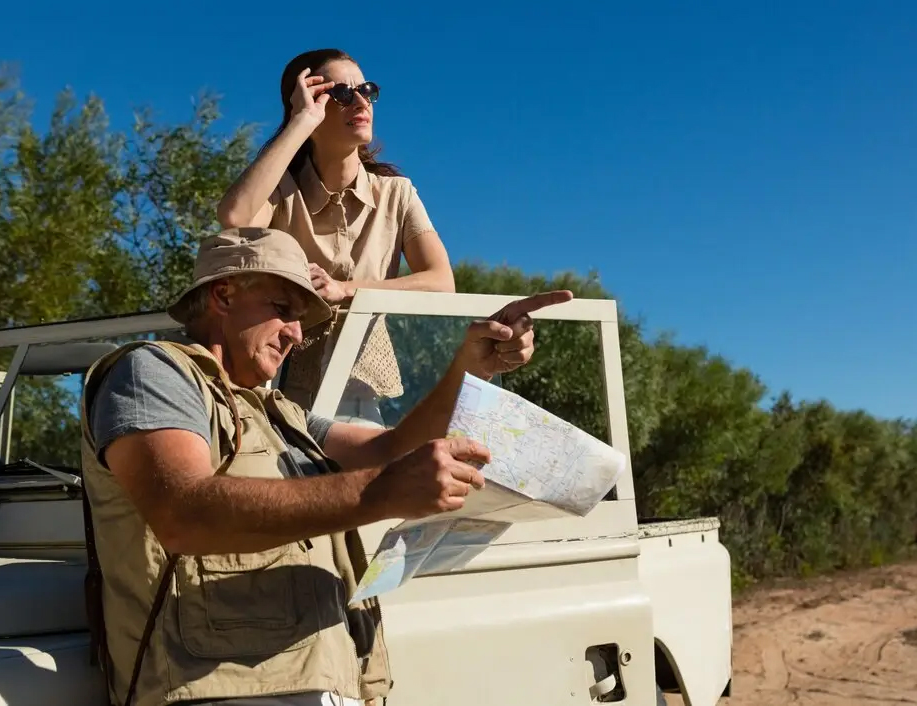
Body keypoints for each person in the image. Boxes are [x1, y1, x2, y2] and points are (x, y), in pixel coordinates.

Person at [78, 226, 572, 706]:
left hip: (322, 682)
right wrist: (382, 491)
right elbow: (183, 512)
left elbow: (394, 447)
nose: (296, 334)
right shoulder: (153, 371)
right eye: (282, 310)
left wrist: (472, 366)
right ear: (223, 296)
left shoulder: (281, 413)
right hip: (218, 687)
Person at [217, 48, 454, 428]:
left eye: (367, 90)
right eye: (342, 94)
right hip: (276, 389)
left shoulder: (397, 194)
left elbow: (442, 285)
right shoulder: (280, 191)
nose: (361, 102)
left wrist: (345, 289)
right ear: (309, 103)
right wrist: (301, 121)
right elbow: (234, 217)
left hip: (358, 392)